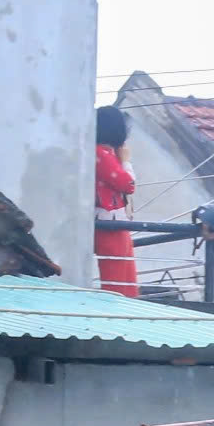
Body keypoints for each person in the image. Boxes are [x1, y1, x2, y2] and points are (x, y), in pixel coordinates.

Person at [93, 105, 138, 298]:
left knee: (125, 272)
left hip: (113, 219)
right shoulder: (101, 153)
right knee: (118, 276)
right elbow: (127, 184)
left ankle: (127, 303)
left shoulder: (105, 153)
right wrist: (126, 161)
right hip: (108, 220)